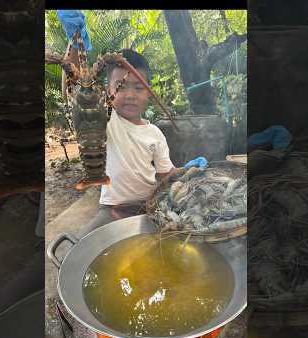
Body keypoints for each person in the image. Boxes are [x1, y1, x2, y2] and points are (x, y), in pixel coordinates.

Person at [58, 10, 207, 238]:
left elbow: (164, 175)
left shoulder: (155, 133)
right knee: (80, 246)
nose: (129, 95)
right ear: (109, 91)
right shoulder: (106, 119)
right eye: (121, 86)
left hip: (151, 206)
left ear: (148, 92)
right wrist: (76, 39)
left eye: (138, 88)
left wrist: (187, 170)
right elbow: (77, 86)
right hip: (113, 211)